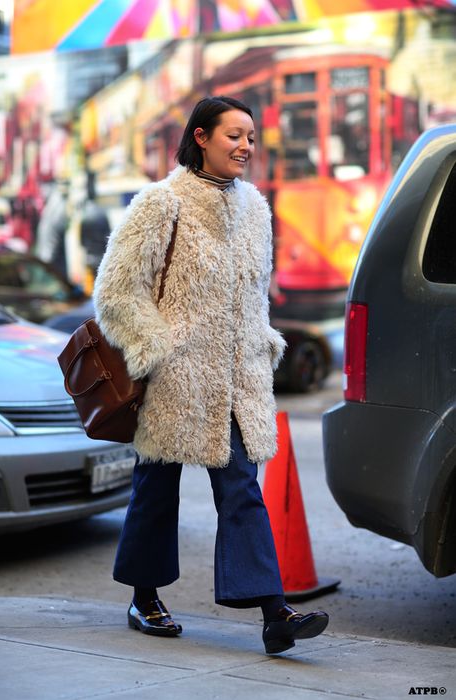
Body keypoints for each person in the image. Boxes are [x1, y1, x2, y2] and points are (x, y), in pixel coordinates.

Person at [93, 95, 329, 655]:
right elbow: (116, 291)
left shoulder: (255, 209)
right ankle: (143, 597)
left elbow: (254, 297)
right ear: (200, 137)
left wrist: (263, 344)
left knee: (243, 489)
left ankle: (275, 613)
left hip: (237, 378)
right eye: (234, 135)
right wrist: (158, 350)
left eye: (251, 137)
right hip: (174, 379)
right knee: (156, 490)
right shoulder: (161, 203)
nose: (247, 146)